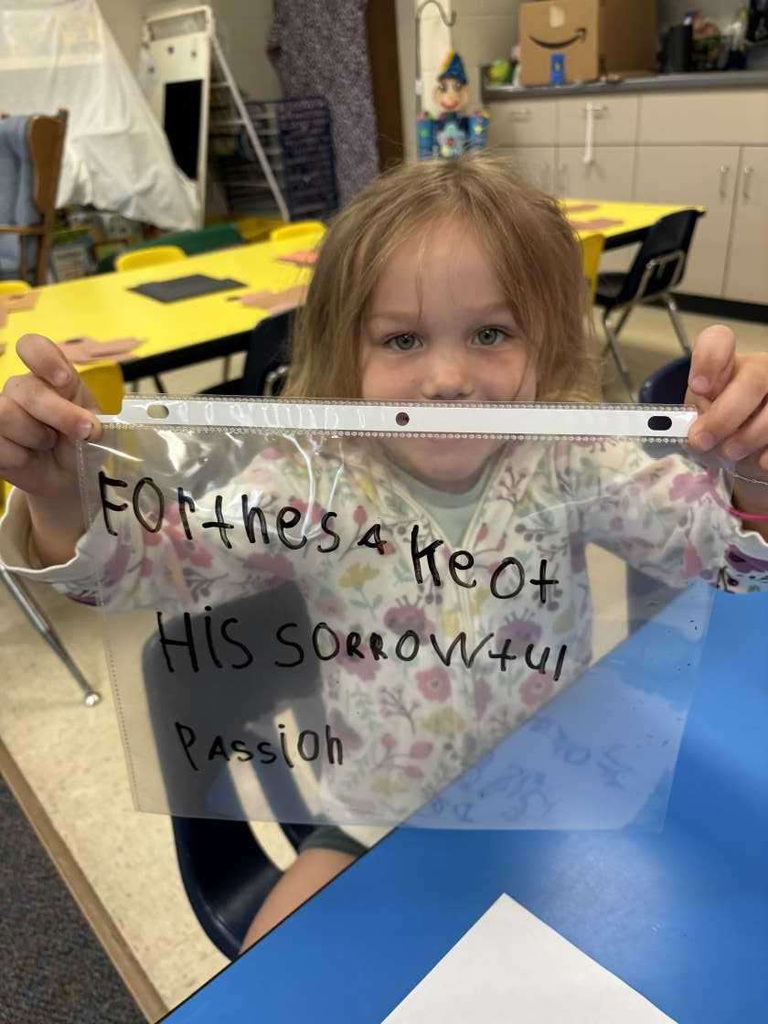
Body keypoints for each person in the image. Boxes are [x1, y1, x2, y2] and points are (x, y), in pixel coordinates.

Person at [2, 155, 768, 955]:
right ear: (346, 350)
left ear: (546, 341)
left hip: (559, 787)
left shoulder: (572, 456)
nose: (445, 379)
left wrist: (751, 477)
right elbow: (151, 566)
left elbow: (726, 557)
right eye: (401, 339)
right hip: (373, 815)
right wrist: (61, 496)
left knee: (658, 953)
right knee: (287, 976)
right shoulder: (311, 481)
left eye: (491, 333)